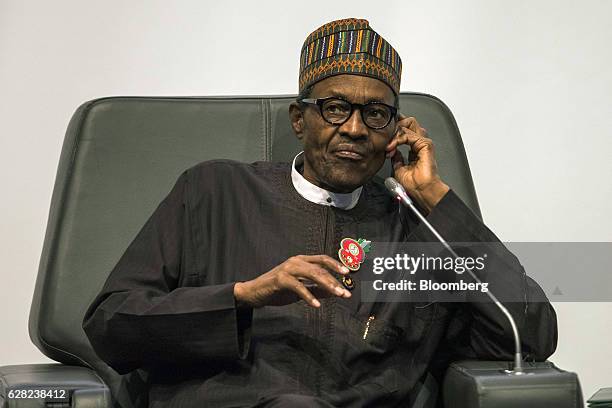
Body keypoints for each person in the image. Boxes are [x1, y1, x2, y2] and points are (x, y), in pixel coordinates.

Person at [83, 18, 557, 407]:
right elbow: (113, 326)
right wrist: (245, 295)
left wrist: (433, 196)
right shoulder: (213, 191)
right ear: (298, 118)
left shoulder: (414, 232)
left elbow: (529, 334)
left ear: (395, 129)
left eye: (375, 114)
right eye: (334, 108)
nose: (354, 129)